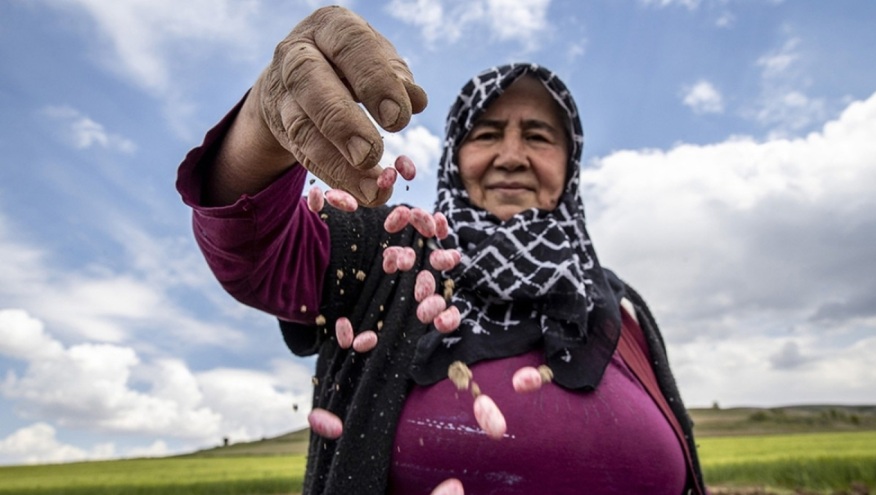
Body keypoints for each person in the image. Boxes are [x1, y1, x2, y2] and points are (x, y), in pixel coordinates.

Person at [176, 6, 706, 495]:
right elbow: (251, 250)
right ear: (455, 158)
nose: (512, 156)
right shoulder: (388, 254)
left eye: (540, 137)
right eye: (488, 134)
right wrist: (266, 122)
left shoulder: (621, 308)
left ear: (570, 168)